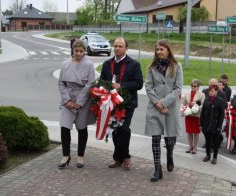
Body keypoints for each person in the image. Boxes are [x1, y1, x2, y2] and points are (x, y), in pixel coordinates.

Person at [100, 37, 143, 171]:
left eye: (120, 46)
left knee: (124, 129)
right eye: (115, 46)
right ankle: (120, 158)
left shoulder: (134, 64)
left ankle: (125, 157)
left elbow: (139, 84)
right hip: (111, 103)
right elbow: (101, 82)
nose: (117, 48)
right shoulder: (107, 64)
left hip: (127, 103)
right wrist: (107, 87)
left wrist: (122, 86)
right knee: (115, 130)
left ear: (126, 48)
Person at [145, 39, 183, 182]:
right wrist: (157, 103)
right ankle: (157, 168)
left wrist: (164, 102)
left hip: (171, 107)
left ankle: (170, 154)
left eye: (162, 49)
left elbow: (178, 88)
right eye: (157, 49)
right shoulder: (152, 68)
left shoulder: (177, 66)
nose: (159, 52)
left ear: (168, 50)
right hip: (155, 108)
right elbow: (148, 87)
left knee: (170, 138)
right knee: (155, 138)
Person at [58, 39, 95, 169]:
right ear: (72, 50)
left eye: (81, 51)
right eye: (76, 51)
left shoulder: (89, 65)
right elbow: (61, 83)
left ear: (84, 51)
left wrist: (79, 102)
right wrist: (67, 100)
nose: (78, 53)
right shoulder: (65, 64)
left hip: (83, 99)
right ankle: (66, 155)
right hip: (67, 99)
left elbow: (90, 84)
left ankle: (80, 155)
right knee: (64, 126)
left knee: (82, 128)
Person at [200, 85, 225, 164]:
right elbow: (202, 113)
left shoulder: (220, 101)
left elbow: (222, 115)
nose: (210, 92)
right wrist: (200, 124)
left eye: (212, 91)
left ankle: (215, 157)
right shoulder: (206, 100)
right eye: (209, 91)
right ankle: (208, 155)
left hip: (216, 125)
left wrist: (219, 126)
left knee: (215, 142)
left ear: (216, 91)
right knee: (207, 141)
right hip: (206, 124)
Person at [182, 79, 205, 154]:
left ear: (198, 87)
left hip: (196, 116)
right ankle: (190, 146)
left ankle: (195, 147)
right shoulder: (187, 94)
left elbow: (203, 105)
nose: (193, 87)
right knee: (189, 132)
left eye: (194, 86)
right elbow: (184, 104)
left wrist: (196, 106)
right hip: (188, 115)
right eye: (191, 86)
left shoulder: (201, 95)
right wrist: (184, 109)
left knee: (196, 132)